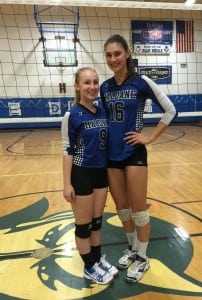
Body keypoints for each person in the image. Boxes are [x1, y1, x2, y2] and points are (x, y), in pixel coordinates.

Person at [100, 35, 177, 283]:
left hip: (134, 153)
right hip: (111, 156)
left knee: (138, 210)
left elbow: (171, 110)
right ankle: (133, 249)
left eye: (117, 54)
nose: (113, 59)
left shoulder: (141, 82)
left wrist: (150, 138)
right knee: (122, 210)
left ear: (127, 53)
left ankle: (143, 257)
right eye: (109, 55)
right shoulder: (104, 87)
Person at [61, 67, 118, 285]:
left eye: (95, 82)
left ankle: (96, 260)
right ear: (77, 85)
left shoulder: (102, 110)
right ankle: (89, 267)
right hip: (81, 173)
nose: (92, 87)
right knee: (83, 225)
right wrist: (67, 184)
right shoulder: (72, 115)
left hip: (100, 173)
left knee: (97, 223)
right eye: (87, 82)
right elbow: (67, 151)